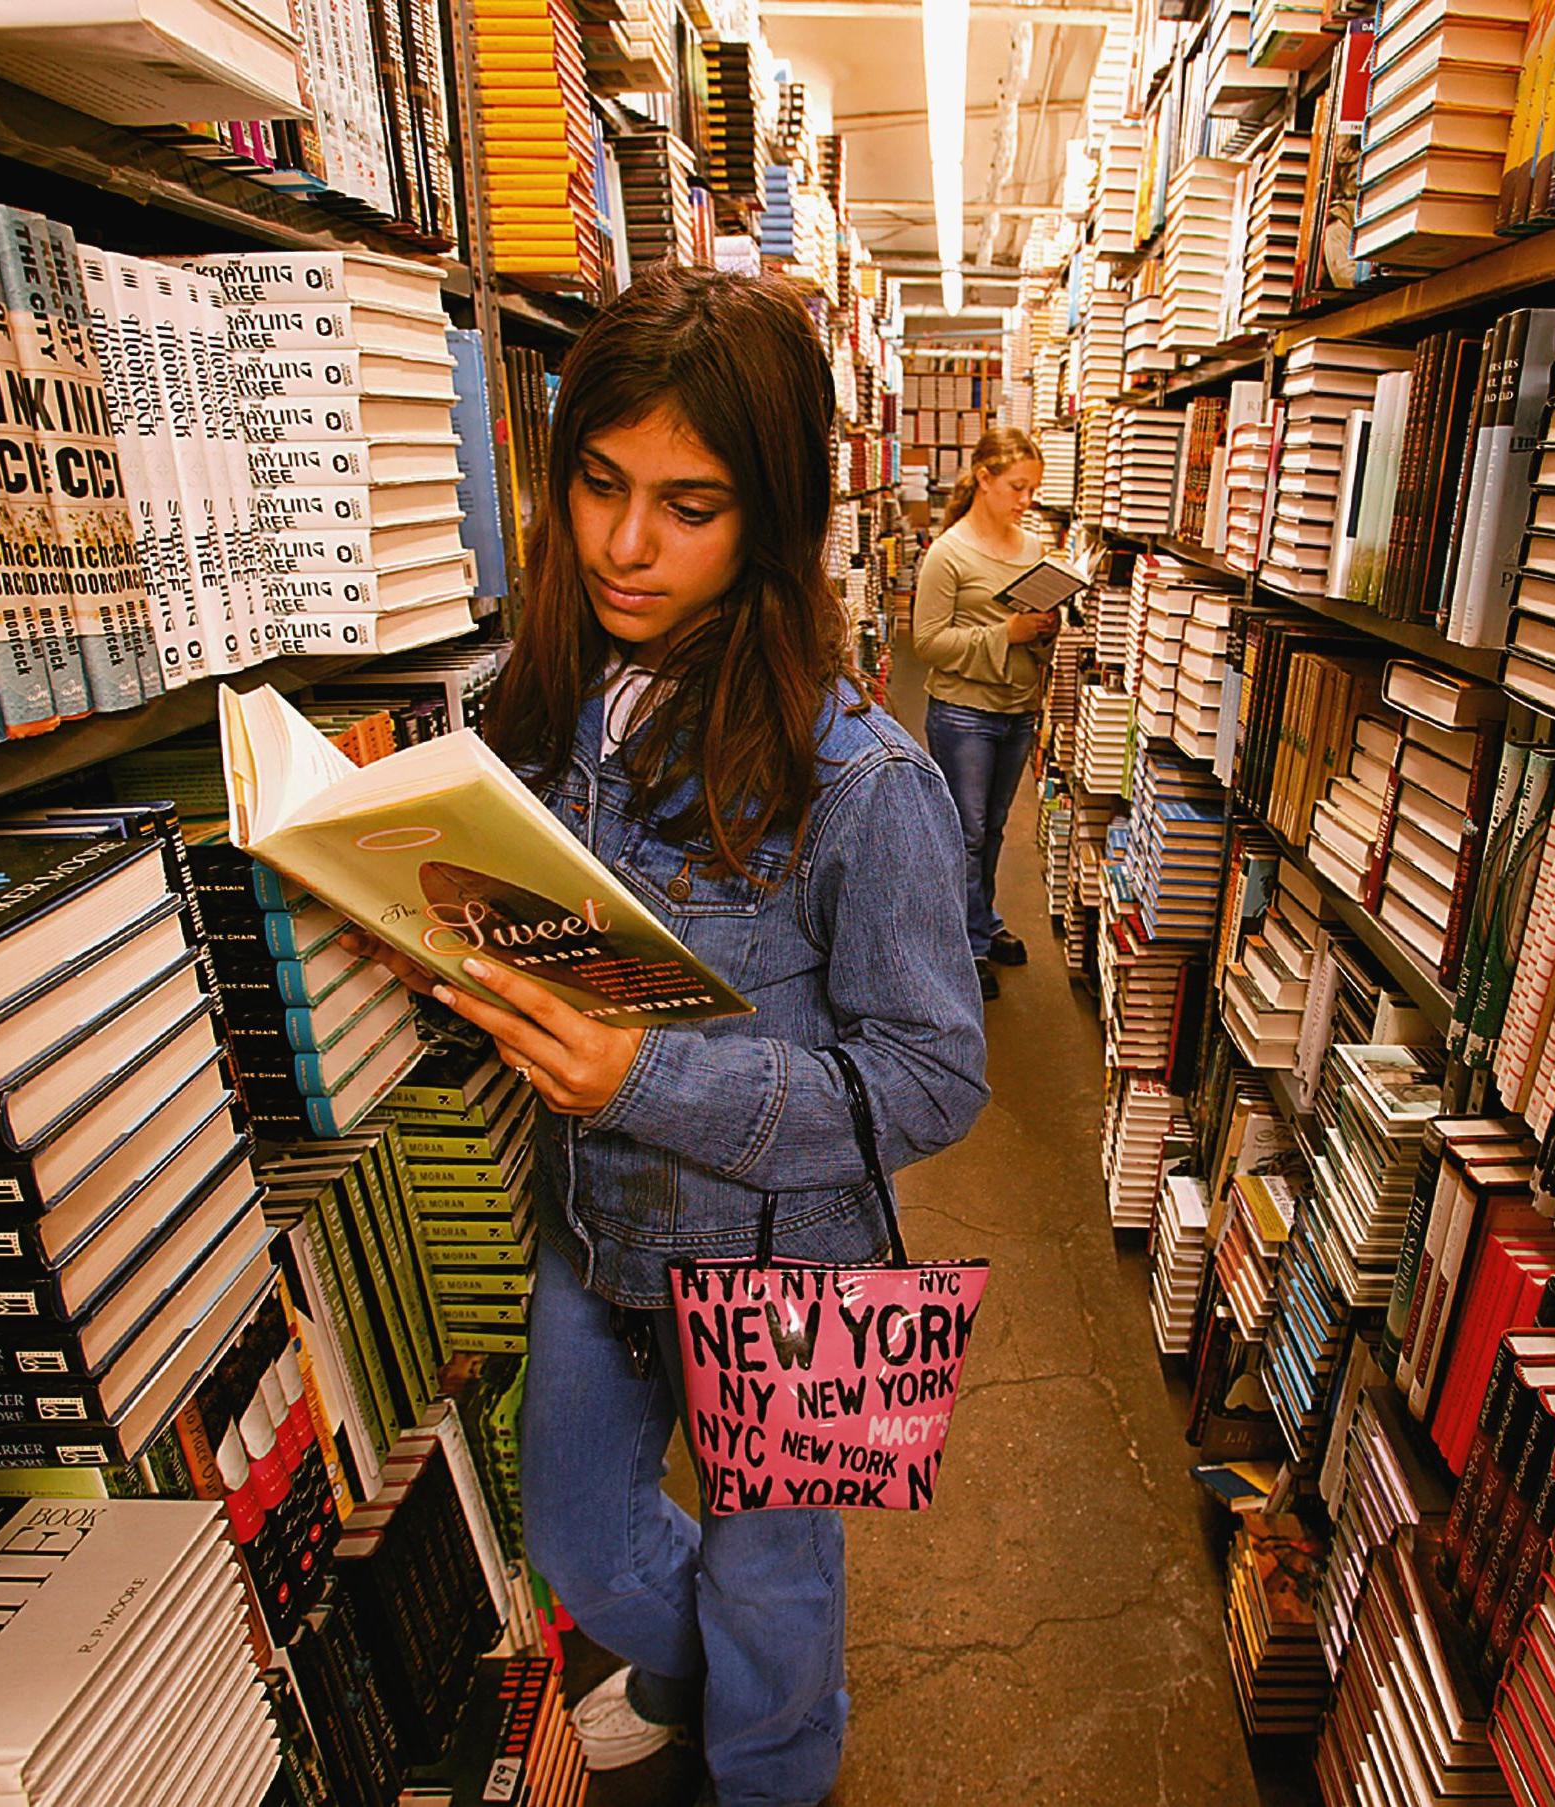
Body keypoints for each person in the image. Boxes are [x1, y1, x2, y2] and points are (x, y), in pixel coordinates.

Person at [343, 265, 989, 1807]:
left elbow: (933, 1071)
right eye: (599, 485)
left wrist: (647, 1073)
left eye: (689, 506)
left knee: (778, 1577)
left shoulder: (865, 779)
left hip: (790, 1254)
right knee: (575, 1533)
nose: (627, 544)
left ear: (769, 515)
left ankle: (776, 1764)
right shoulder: (558, 700)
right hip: (596, 1219)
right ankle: (714, 1666)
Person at [909, 426, 1057, 1001]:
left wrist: (1042, 631)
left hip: (1019, 708)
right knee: (964, 833)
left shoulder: (1032, 550)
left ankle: (983, 920)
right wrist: (1007, 633)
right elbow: (927, 641)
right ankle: (962, 943)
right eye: (1018, 487)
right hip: (965, 711)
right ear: (984, 479)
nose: (1026, 500)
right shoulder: (948, 554)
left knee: (992, 828)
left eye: (1033, 489)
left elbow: (1037, 631)